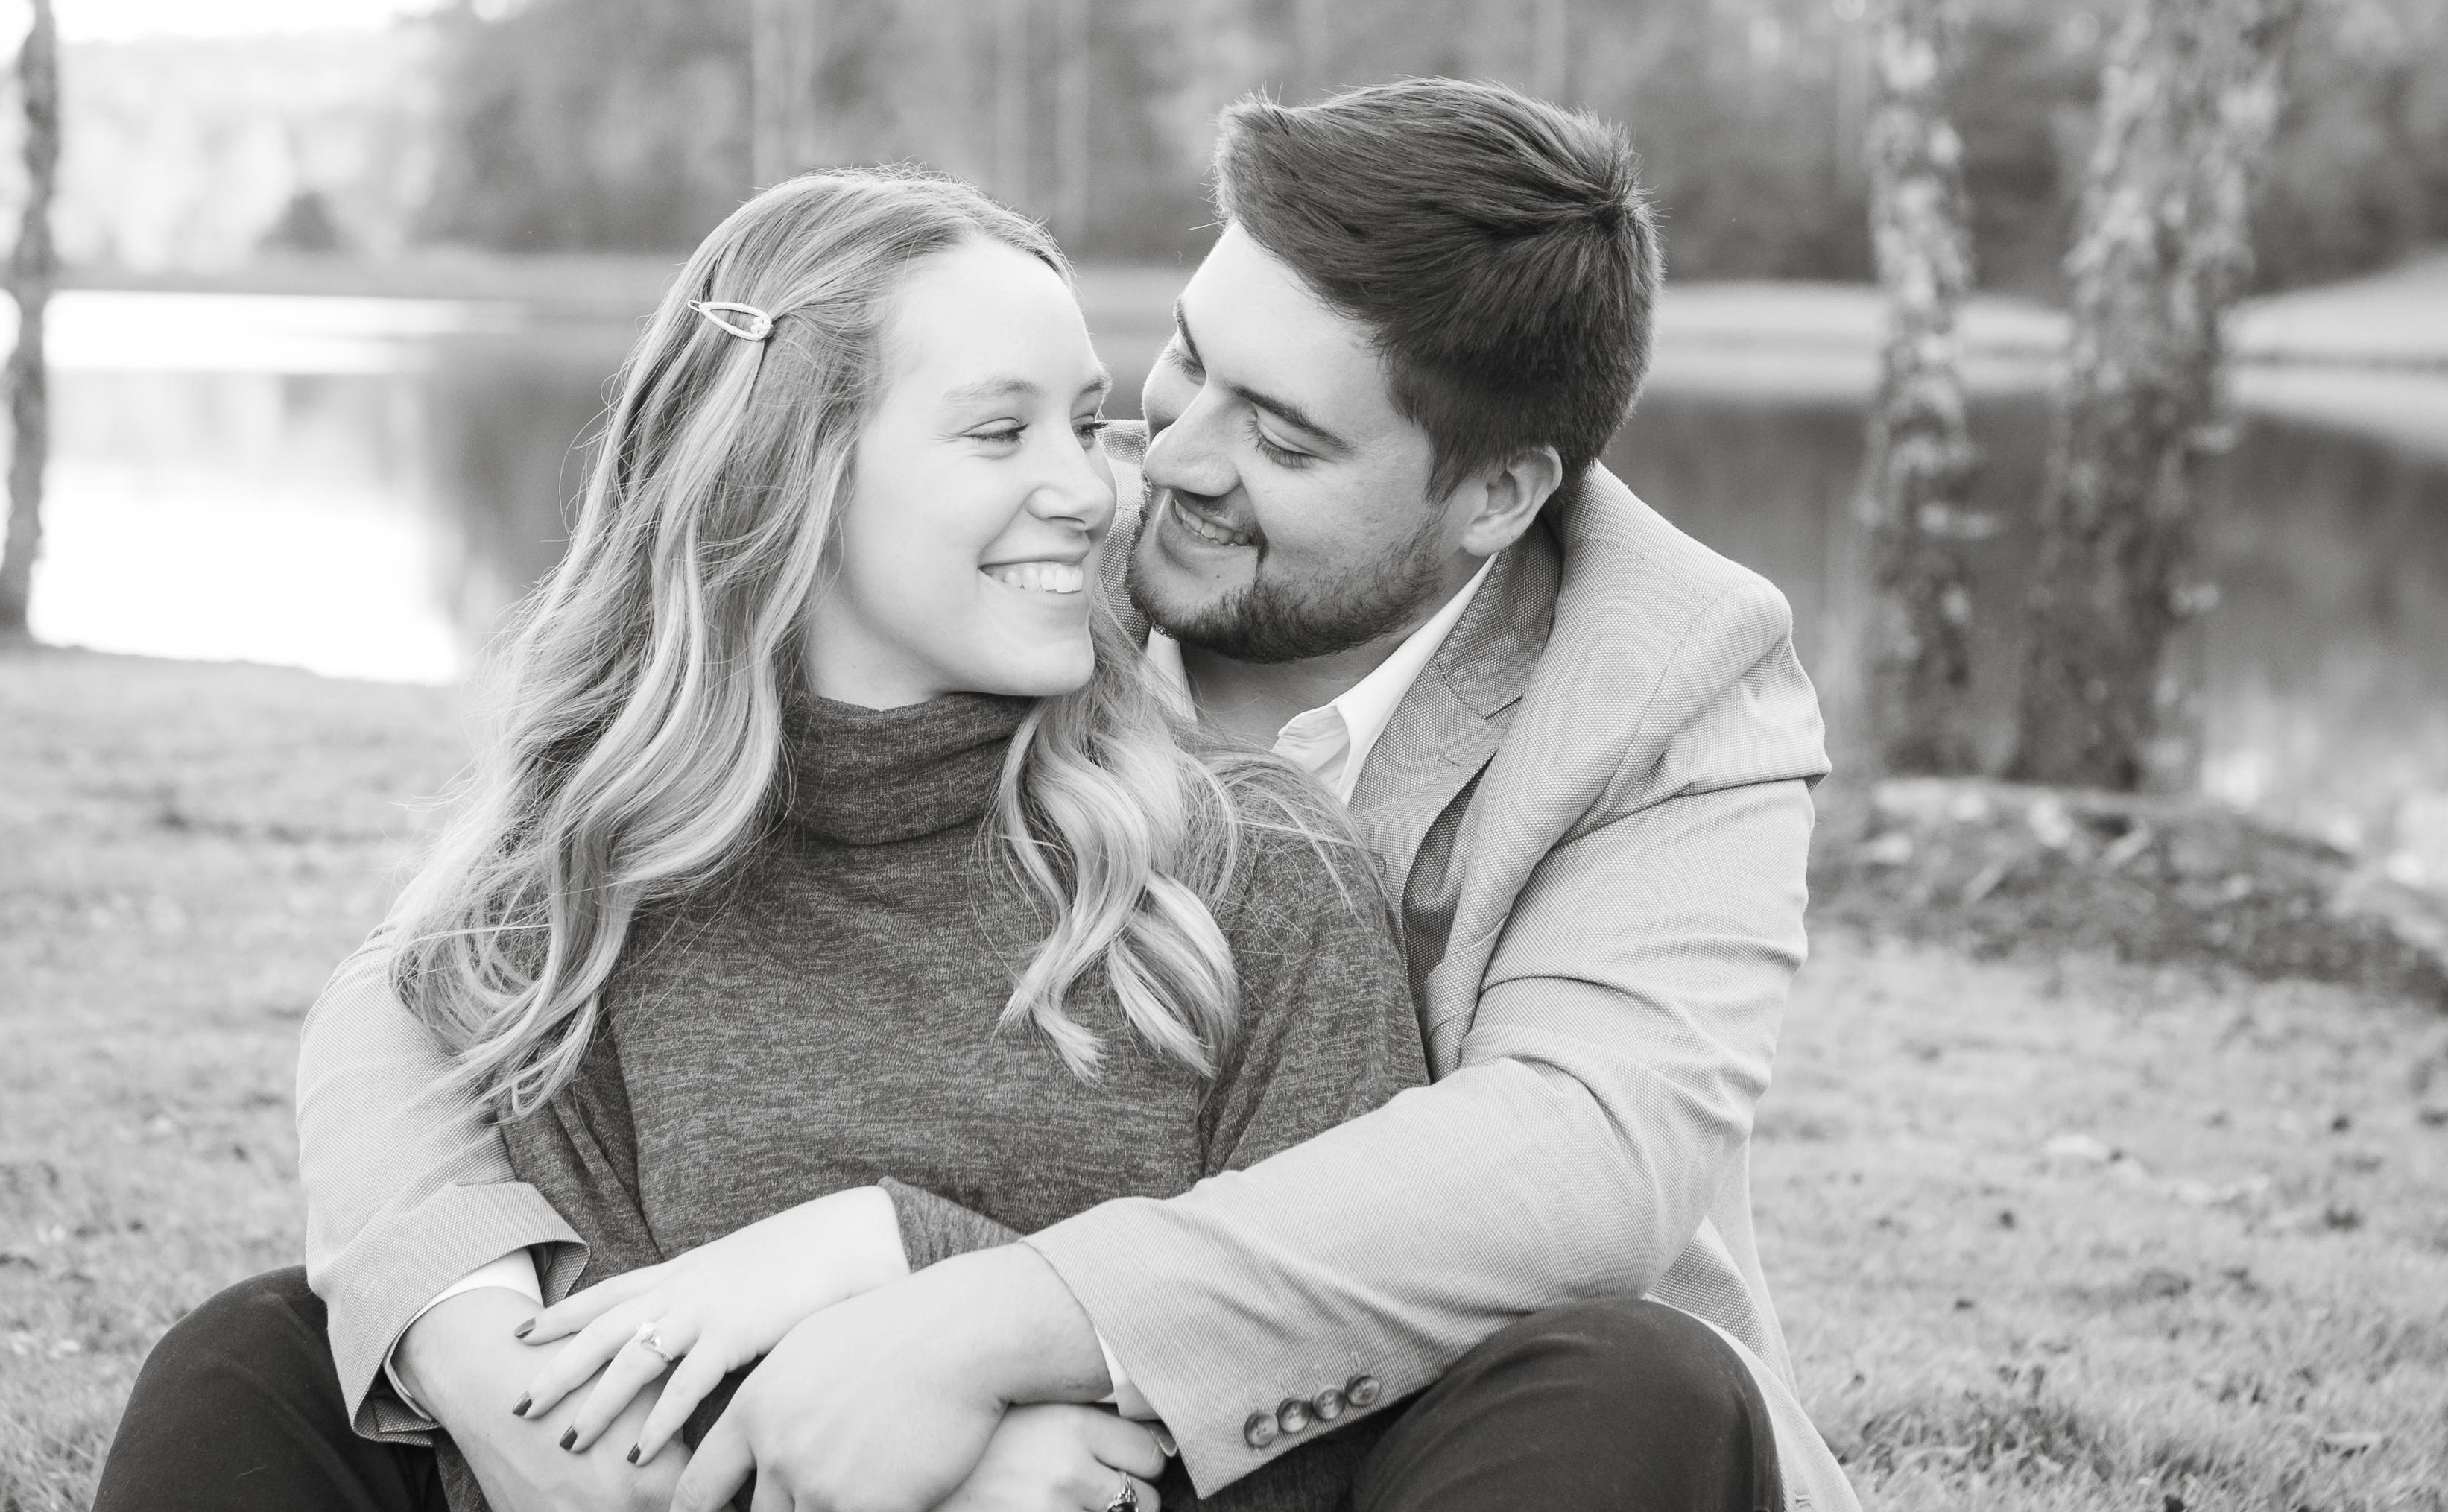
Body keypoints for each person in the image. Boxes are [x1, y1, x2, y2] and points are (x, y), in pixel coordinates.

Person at [273, 78, 1863, 1512]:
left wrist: (959, 1312)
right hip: (840, 1422)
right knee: (275, 1359)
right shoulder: (1015, 537)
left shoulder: (1666, 681)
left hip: (1435, 1418)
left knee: (1620, 1380)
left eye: (1282, 434)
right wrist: (471, 1341)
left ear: (1495, 496)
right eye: (1187, 360)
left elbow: (1578, 1156)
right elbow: (437, 971)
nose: (1159, 463)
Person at [92, 168, 1432, 1512]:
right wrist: (964, 1463)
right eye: (999, 432)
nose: (1088, 489)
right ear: (794, 472)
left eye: (1085, 423)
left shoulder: (1251, 872)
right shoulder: (594, 894)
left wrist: (916, 1278)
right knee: (239, 1371)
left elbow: (1327, 1419)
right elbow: (585, 1438)